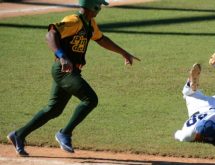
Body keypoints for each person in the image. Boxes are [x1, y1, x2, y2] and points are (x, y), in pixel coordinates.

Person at [7, 0, 140, 156]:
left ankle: (19, 135)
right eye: (100, 5)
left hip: (71, 71)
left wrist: (123, 52)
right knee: (90, 99)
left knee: (54, 109)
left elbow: (101, 39)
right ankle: (65, 133)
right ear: (94, 6)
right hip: (63, 70)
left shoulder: (90, 23)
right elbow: (51, 34)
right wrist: (62, 56)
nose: (101, 8)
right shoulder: (74, 21)